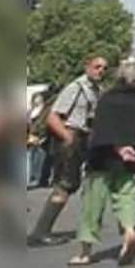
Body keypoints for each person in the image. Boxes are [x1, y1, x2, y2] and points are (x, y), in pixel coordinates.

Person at [69, 59, 135, 267]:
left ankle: (85, 252)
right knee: (126, 197)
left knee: (93, 203)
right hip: (132, 158)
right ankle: (129, 232)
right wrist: (132, 147)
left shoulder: (109, 98)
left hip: (103, 157)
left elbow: (103, 127)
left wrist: (118, 147)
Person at [27, 55, 108, 246]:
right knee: (65, 184)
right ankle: (41, 231)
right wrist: (67, 137)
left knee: (75, 183)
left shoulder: (96, 89)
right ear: (87, 66)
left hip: (83, 138)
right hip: (70, 138)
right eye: (97, 67)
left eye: (104, 68)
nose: (101, 71)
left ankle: (46, 230)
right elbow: (53, 117)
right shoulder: (76, 87)